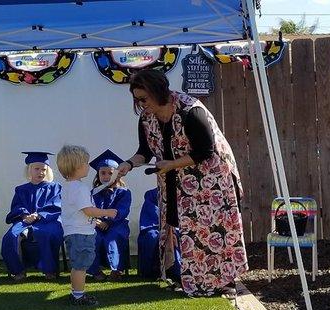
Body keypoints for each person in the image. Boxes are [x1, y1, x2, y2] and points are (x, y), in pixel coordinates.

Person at [117, 69, 247, 297]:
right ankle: (195, 279)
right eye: (136, 99)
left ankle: (225, 281)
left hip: (212, 179)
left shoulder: (191, 111)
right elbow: (145, 152)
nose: (140, 104)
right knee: (188, 229)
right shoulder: (146, 118)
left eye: (143, 98)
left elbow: (206, 151)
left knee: (214, 229)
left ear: (158, 92)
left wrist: (171, 164)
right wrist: (128, 164)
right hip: (177, 180)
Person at [56, 145, 117, 305]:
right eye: (86, 163)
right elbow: (88, 210)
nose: (89, 166)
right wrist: (107, 212)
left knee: (77, 266)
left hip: (73, 231)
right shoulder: (80, 187)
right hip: (81, 233)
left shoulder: (68, 186)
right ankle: (78, 296)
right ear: (77, 166)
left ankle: (76, 293)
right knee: (81, 266)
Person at [2, 151, 63, 281]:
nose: (41, 172)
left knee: (46, 234)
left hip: (47, 220)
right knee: (11, 236)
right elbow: (16, 206)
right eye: (37, 169)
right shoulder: (21, 189)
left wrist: (39, 215)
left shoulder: (55, 187)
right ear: (29, 170)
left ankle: (49, 270)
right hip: (25, 220)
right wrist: (24, 215)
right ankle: (18, 270)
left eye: (43, 169)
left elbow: (57, 205)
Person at [87, 149, 132, 281]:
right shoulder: (93, 192)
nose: (106, 176)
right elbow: (89, 209)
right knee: (94, 237)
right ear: (98, 175)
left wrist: (108, 222)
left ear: (117, 175)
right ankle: (96, 271)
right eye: (103, 173)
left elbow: (122, 210)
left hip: (117, 224)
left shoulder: (124, 192)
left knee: (113, 237)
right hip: (97, 224)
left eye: (110, 173)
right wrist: (96, 221)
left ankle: (116, 270)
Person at [137, 187, 182, 282]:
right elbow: (151, 214)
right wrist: (165, 225)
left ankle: (178, 270)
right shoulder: (152, 194)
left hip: (180, 225)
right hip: (156, 225)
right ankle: (152, 270)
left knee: (175, 233)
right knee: (151, 236)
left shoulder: (184, 192)